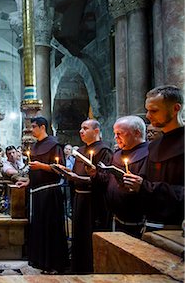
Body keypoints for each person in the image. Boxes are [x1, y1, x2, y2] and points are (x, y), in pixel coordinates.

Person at [123, 85, 184, 232]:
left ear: (176, 109)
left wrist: (145, 186)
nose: (148, 116)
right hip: (151, 224)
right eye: (147, 110)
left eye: (154, 111)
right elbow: (145, 180)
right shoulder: (154, 145)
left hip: (176, 229)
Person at [16, 117, 68, 274]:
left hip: (51, 193)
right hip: (38, 193)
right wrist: (28, 182)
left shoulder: (54, 145)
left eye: (34, 127)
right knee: (40, 229)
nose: (31, 130)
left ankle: (54, 264)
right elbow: (33, 170)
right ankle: (42, 262)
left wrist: (42, 166)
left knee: (50, 229)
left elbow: (62, 169)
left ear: (42, 127)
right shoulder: (36, 146)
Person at [62, 119, 113, 273]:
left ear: (96, 131)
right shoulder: (81, 151)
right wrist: (68, 174)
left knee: (90, 235)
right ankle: (78, 267)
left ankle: (92, 269)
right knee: (79, 235)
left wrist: (94, 175)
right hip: (79, 199)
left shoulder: (104, 151)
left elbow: (107, 178)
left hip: (94, 201)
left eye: (85, 128)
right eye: (80, 128)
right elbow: (76, 174)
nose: (81, 131)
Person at [96, 116, 148, 237]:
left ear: (137, 133)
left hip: (137, 221)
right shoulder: (117, 154)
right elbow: (107, 181)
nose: (116, 138)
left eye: (119, 134)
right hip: (115, 217)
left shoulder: (148, 154)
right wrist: (95, 175)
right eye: (115, 134)